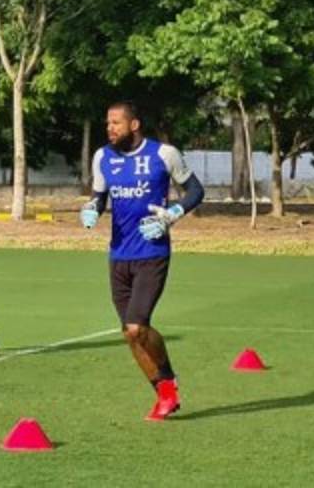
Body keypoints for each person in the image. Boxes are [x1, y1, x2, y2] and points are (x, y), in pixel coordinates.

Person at [79, 101, 204, 421]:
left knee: (137, 327)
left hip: (152, 252)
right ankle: (164, 393)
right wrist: (93, 207)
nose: (110, 128)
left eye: (116, 123)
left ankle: (169, 379)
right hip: (118, 254)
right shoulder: (102, 157)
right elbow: (100, 195)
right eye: (108, 123)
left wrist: (174, 213)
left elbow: (195, 190)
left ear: (134, 125)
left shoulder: (164, 154)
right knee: (128, 333)